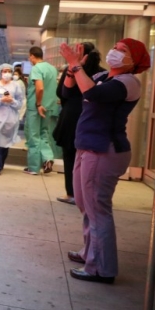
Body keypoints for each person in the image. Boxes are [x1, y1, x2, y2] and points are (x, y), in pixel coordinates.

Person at [60, 38, 150, 284]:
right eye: (116, 48)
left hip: (104, 150)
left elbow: (93, 94)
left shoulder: (128, 82)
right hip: (87, 147)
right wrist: (72, 67)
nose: (116, 53)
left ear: (135, 61)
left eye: (124, 51)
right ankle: (90, 252)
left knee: (97, 208)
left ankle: (101, 267)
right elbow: (68, 91)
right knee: (84, 204)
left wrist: (74, 64)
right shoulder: (102, 76)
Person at [52, 43, 103, 205]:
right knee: (90, 160)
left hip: (72, 117)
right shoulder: (102, 72)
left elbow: (62, 93)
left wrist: (73, 68)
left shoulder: (73, 70)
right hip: (92, 118)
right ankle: (87, 194)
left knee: (70, 157)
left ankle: (72, 193)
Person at [24, 47, 59, 175]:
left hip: (36, 107)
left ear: (33, 56)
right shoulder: (52, 69)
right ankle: (48, 158)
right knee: (44, 134)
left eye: (29, 57)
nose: (29, 60)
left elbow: (39, 88)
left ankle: (33, 167)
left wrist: (38, 104)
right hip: (49, 106)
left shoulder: (36, 69)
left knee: (33, 136)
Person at [0, 63, 24, 175]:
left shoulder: (15, 86)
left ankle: (0, 164)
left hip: (10, 119)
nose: (7, 73)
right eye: (5, 71)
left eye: (9, 71)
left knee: (5, 144)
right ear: (0, 72)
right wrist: (1, 100)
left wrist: (12, 101)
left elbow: (19, 104)